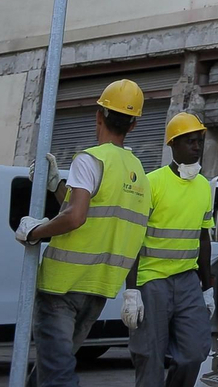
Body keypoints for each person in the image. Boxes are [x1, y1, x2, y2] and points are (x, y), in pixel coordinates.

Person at [16, 79, 151, 387]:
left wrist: (35, 231)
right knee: (53, 369)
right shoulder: (140, 173)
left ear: (98, 115)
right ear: (133, 126)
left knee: (57, 373)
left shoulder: (90, 159)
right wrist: (55, 186)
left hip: (62, 287)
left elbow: (76, 217)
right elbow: (92, 210)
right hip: (98, 288)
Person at [124, 112, 214, 387]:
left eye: (199, 141)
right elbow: (132, 238)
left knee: (194, 352)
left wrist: (207, 287)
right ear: (173, 144)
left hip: (187, 280)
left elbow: (203, 238)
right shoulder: (153, 183)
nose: (197, 146)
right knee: (149, 357)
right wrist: (131, 290)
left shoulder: (204, 187)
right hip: (152, 281)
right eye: (190, 141)